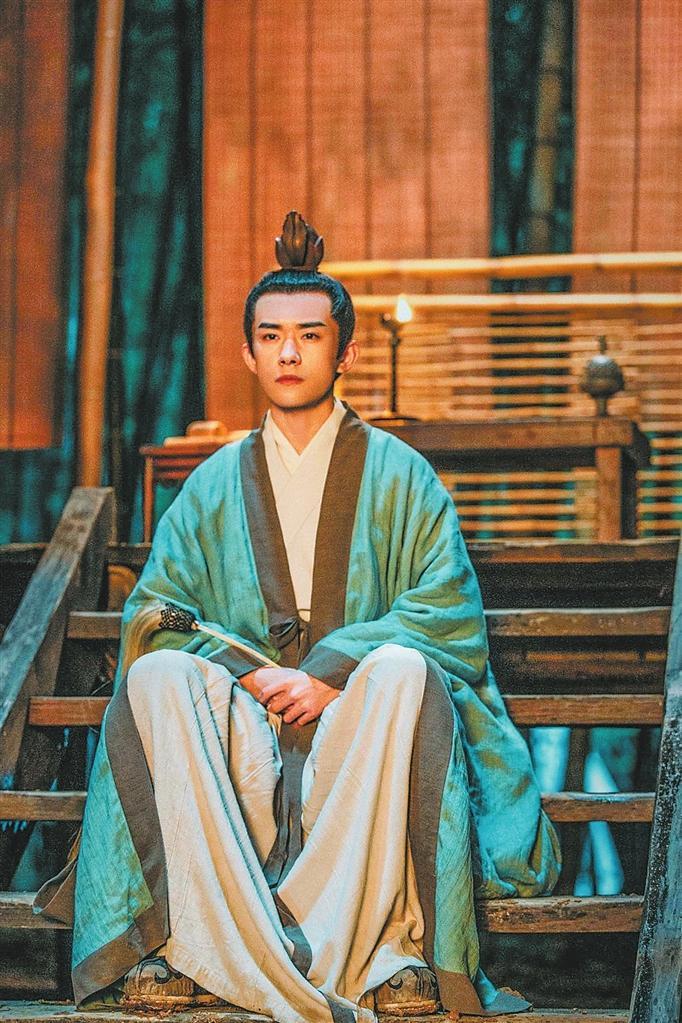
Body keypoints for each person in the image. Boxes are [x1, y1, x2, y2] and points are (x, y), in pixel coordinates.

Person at [35, 212, 561, 1022]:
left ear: (343, 352)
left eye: (309, 336)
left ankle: (384, 950)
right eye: (271, 336)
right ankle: (191, 943)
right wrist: (253, 676)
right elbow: (155, 614)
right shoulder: (212, 486)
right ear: (249, 353)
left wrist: (329, 672)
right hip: (245, 730)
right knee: (160, 673)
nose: (288, 353)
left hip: (357, 729)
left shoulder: (403, 476)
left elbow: (449, 610)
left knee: (405, 670)